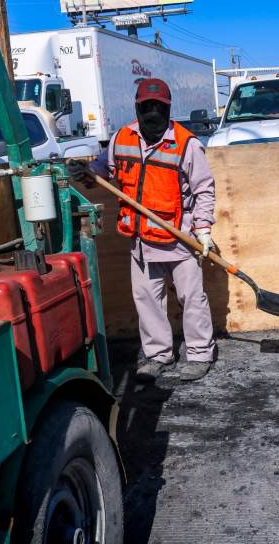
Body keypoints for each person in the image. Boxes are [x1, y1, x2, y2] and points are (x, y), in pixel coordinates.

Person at [69, 78, 217, 383]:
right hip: (140, 240)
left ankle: (200, 353)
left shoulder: (186, 144)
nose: (152, 113)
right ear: (137, 106)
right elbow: (103, 171)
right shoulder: (121, 138)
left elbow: (204, 190)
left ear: (168, 108)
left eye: (158, 107)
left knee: (192, 297)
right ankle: (159, 355)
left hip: (178, 237)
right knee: (147, 299)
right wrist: (85, 172)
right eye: (146, 106)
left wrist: (203, 230)